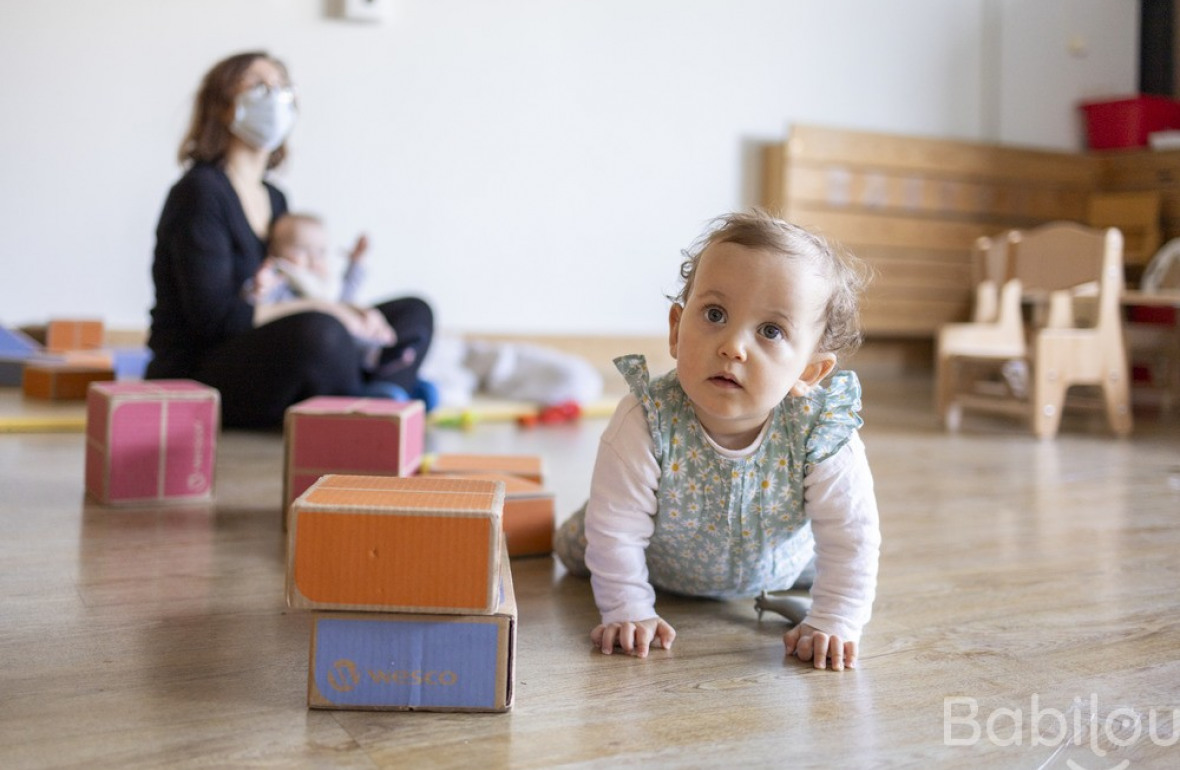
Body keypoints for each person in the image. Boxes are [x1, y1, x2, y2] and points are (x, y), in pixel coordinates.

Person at [554, 211, 881, 671]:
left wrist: (834, 620)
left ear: (808, 371)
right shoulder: (647, 418)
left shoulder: (822, 431)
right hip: (657, 564)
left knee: (831, 563)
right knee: (579, 541)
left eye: (770, 331)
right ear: (675, 328)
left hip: (776, 566)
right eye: (715, 314)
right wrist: (627, 610)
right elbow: (616, 531)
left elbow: (852, 536)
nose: (733, 346)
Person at [145, 51, 434, 427]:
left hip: (273, 349)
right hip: (206, 367)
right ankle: (369, 411)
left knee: (414, 312)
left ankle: (379, 400)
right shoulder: (199, 192)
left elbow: (291, 291)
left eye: (282, 87)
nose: (275, 96)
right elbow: (214, 319)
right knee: (322, 331)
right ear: (222, 105)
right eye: (259, 85)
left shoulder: (275, 197)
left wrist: (345, 308)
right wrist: (330, 310)